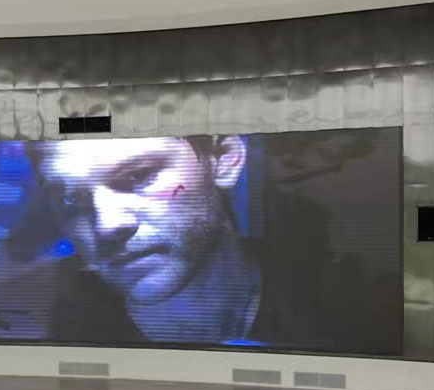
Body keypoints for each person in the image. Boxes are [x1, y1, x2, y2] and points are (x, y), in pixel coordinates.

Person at [26, 135, 260, 345]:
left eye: (140, 175)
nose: (107, 226)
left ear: (223, 159)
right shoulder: (51, 322)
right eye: (71, 198)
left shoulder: (287, 287)